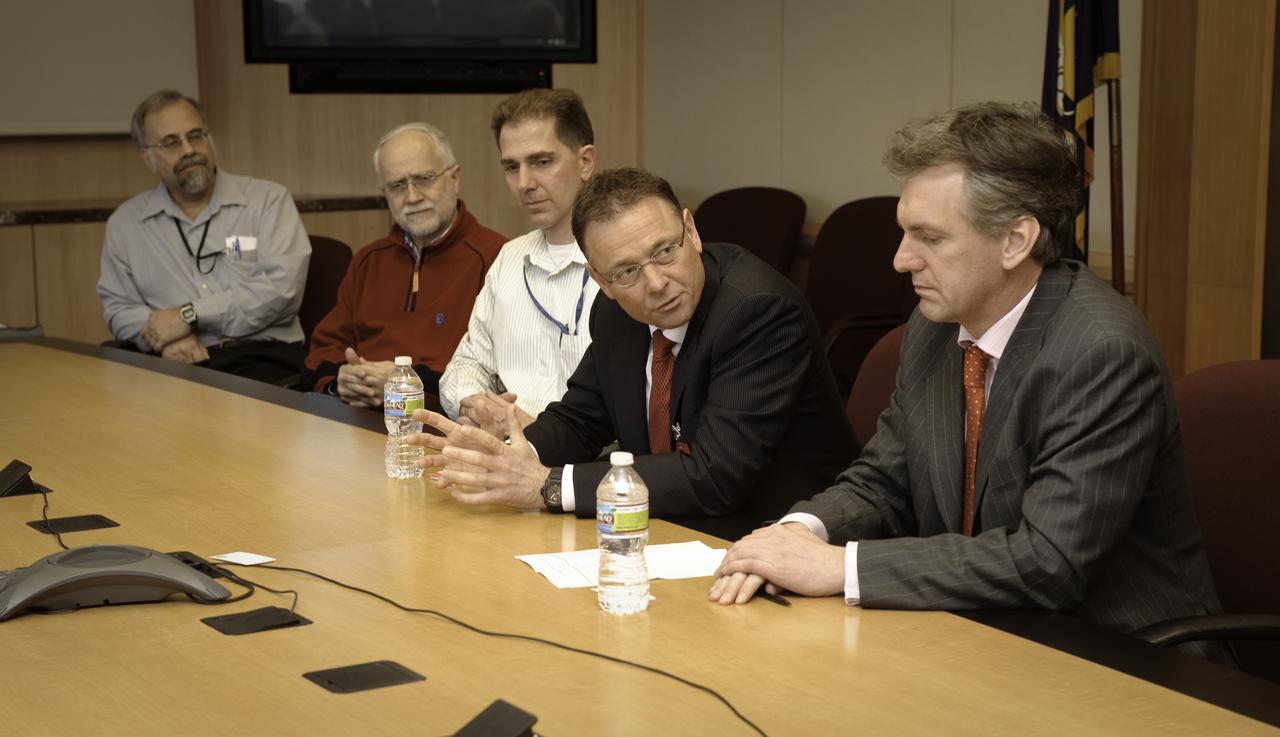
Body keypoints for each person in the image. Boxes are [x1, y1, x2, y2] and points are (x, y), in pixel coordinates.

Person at [710, 102, 1224, 658]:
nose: (901, 261)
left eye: (929, 237)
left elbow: (1049, 562)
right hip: (979, 631)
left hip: (1119, 655)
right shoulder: (935, 328)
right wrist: (799, 533)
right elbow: (884, 480)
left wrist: (840, 566)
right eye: (904, 232)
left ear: (1015, 241)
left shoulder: (1101, 353)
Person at [413, 167, 857, 540]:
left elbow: (715, 477)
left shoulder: (758, 312)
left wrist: (545, 485)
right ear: (599, 280)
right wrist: (502, 454)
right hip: (673, 529)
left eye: (665, 251)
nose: (657, 282)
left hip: (777, 534)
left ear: (692, 231)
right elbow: (581, 420)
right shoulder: (614, 313)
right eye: (627, 271)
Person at [97, 90, 311, 383]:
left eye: (196, 136)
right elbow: (119, 308)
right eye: (170, 143)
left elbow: (280, 292)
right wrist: (165, 340)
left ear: (210, 139)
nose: (188, 150)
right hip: (171, 361)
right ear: (147, 157)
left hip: (258, 356)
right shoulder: (126, 223)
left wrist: (188, 316)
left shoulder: (267, 201)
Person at [302, 123, 506, 406]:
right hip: (356, 418)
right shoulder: (368, 261)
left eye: (424, 178)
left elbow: (498, 374)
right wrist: (341, 381)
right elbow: (324, 349)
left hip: (440, 428)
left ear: (455, 178)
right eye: (397, 186)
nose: (412, 197)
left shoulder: (498, 258)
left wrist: (407, 382)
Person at [437, 88, 601, 427]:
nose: (524, 183)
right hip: (504, 451)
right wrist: (475, 404)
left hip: (591, 464)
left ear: (585, 162)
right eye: (512, 167)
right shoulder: (509, 258)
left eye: (542, 162)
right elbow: (466, 366)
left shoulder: (626, 262)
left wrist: (538, 431)